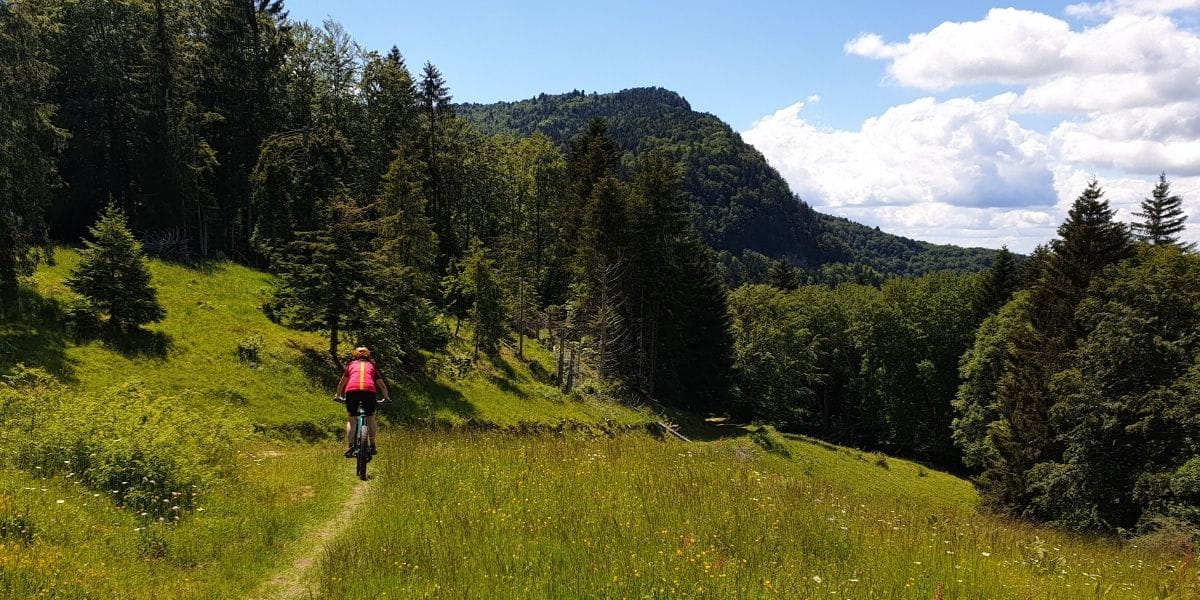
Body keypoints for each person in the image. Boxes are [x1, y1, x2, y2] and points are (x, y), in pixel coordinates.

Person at [335, 346, 390, 458]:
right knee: (371, 417)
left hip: (352, 392)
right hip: (369, 392)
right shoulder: (372, 366)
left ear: (355, 355)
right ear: (369, 355)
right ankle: (373, 445)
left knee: (351, 419)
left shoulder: (351, 365)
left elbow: (342, 383)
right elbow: (382, 386)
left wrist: (337, 395)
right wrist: (386, 397)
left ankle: (350, 446)